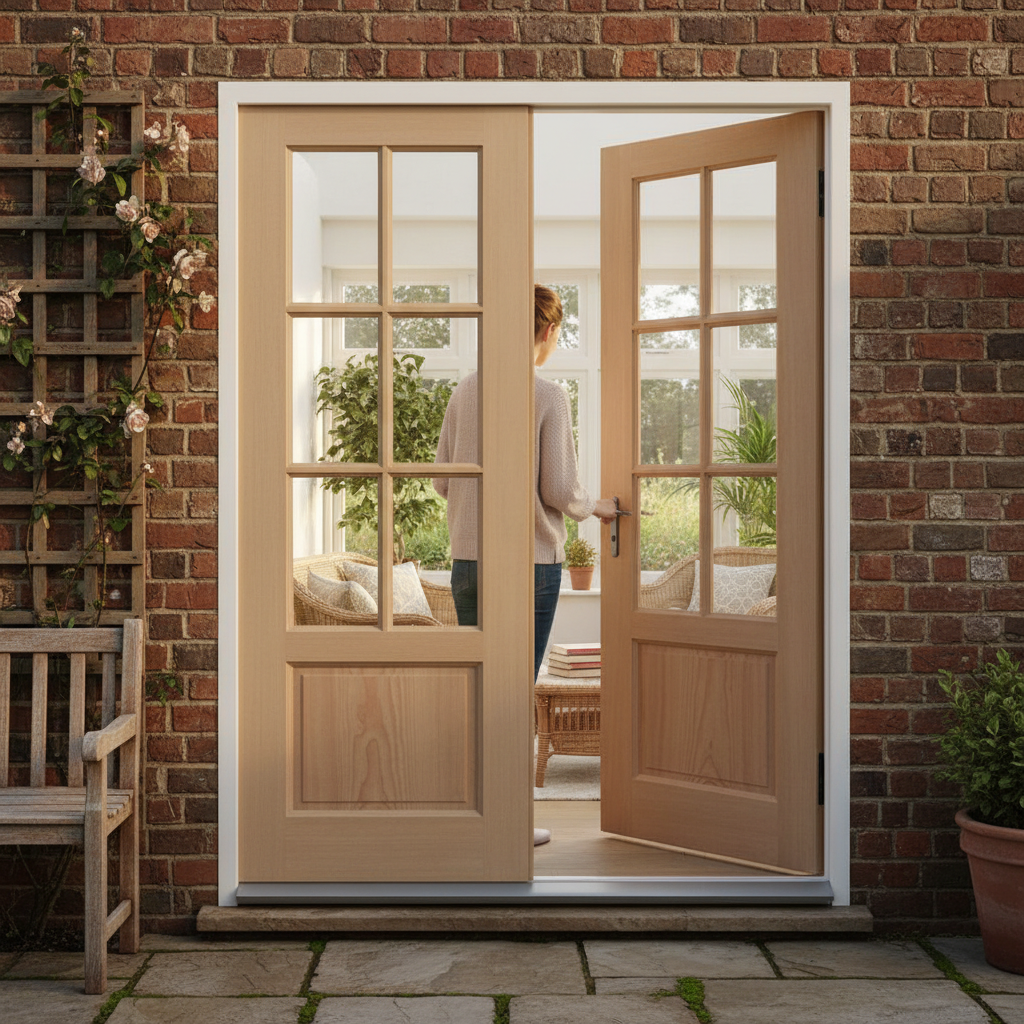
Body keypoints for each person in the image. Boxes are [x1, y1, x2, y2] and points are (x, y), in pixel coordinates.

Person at [433, 284, 617, 846]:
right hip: (529, 566)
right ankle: (508, 822)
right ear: (547, 331)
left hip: (467, 562)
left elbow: (443, 480)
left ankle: (477, 814)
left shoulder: (465, 391)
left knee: (486, 689)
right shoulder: (547, 395)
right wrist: (599, 508)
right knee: (515, 690)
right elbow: (560, 488)